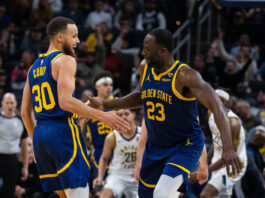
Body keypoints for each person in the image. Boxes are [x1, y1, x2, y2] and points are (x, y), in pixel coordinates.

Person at [88, 28, 242, 197]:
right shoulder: (144, 68)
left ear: (163, 52)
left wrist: (228, 148)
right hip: (155, 146)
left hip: (184, 145)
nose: (143, 52)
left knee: (162, 194)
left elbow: (217, 107)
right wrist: (105, 104)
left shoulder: (185, 75)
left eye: (147, 49)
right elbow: (141, 96)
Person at [20, 16, 129, 198]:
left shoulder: (33, 69)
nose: (78, 41)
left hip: (40, 135)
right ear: (60, 37)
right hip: (63, 132)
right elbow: (65, 102)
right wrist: (103, 116)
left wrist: (37, 140)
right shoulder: (65, 60)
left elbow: (24, 112)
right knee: (78, 192)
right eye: (74, 36)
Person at [200, 89, 247, 198]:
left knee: (206, 195)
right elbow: (215, 143)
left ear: (224, 102)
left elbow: (228, 158)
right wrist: (205, 164)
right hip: (219, 162)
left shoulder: (232, 122)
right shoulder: (211, 114)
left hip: (234, 165)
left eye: (214, 97)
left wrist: (206, 169)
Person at [93, 109, 141, 198]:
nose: (124, 117)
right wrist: (99, 177)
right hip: (118, 175)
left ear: (133, 115)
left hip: (137, 176)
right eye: (121, 115)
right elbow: (104, 158)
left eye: (126, 114)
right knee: (105, 194)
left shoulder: (143, 134)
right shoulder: (112, 137)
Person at [0, 93, 28, 198]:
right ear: (2, 104)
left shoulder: (20, 121)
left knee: (9, 193)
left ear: (16, 104)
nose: (9, 105)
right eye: (7, 103)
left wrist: (25, 167)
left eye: (12, 103)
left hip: (12, 160)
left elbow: (25, 146)